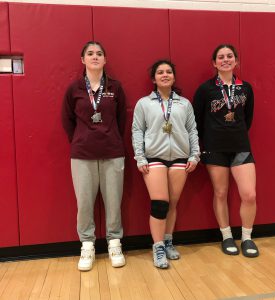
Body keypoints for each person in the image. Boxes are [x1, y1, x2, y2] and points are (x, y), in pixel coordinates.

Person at [62, 41, 126, 271]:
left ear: (105, 60)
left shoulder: (116, 88)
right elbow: (67, 120)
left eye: (99, 53)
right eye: (90, 54)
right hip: (82, 154)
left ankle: (114, 242)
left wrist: (112, 138)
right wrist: (81, 139)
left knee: (113, 201)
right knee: (85, 203)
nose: (95, 57)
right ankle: (87, 244)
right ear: (83, 60)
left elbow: (121, 120)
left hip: (112, 152)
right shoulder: (74, 89)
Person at [132, 60, 200, 268]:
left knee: (171, 204)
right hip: (154, 157)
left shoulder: (184, 104)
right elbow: (137, 130)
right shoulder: (144, 103)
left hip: (180, 157)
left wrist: (194, 155)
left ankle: (168, 241)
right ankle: (158, 247)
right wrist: (140, 157)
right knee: (160, 204)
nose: (165, 75)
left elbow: (192, 130)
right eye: (160, 72)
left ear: (174, 77)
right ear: (153, 79)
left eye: (169, 72)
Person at [193, 44, 259, 258]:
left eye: (229, 56)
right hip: (214, 148)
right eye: (221, 57)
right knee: (220, 193)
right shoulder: (205, 89)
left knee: (249, 194)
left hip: (240, 146)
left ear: (236, 61)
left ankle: (247, 238)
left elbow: (247, 119)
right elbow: (197, 120)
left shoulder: (246, 88)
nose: (225, 60)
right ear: (214, 63)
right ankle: (227, 236)